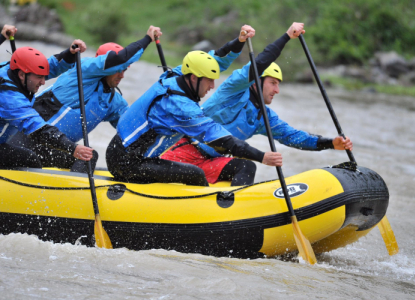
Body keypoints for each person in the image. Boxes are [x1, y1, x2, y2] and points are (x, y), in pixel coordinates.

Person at [161, 22, 353, 186]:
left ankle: (234, 218)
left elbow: (294, 137)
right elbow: (259, 63)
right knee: (241, 165)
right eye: (273, 83)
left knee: (245, 166)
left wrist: (330, 143)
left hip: (211, 161)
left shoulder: (263, 117)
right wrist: (286, 36)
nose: (277, 90)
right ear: (256, 81)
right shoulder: (233, 89)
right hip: (182, 152)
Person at [106, 25, 283, 186]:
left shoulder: (175, 75)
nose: (213, 86)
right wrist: (262, 156)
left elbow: (217, 58)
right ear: (193, 78)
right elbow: (220, 138)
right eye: (209, 81)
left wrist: (239, 42)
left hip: (121, 150)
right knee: (194, 173)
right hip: (128, 163)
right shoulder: (181, 107)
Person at [9, 25, 162, 173]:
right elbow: (120, 59)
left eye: (124, 70)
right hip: (26, 137)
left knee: (88, 157)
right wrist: (147, 39)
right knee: (31, 157)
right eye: (117, 70)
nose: (122, 75)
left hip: (54, 147)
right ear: (105, 67)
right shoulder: (83, 71)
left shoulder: (114, 102)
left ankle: (72, 196)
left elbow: (133, 129)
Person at [0, 38, 93, 169]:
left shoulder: (10, 69)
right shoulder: (10, 99)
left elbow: (48, 67)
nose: (44, 82)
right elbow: (39, 129)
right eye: (39, 77)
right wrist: (73, 148)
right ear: (21, 74)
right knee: (30, 160)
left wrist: (69, 54)